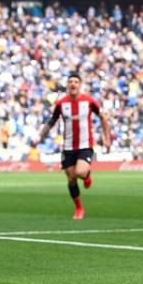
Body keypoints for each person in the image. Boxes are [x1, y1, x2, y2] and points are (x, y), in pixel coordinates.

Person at [33, 74, 111, 220]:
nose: (73, 84)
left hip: (85, 145)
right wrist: (40, 135)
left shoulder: (89, 101)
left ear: (80, 85)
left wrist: (107, 138)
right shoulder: (61, 103)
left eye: (76, 81)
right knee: (71, 179)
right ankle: (79, 208)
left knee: (80, 172)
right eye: (70, 82)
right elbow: (52, 121)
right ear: (67, 85)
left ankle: (87, 175)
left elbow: (103, 118)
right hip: (68, 147)